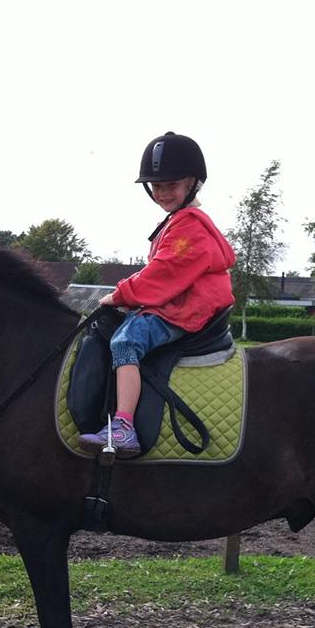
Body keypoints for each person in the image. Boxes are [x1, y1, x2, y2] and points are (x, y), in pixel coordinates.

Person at [78, 132, 236, 458]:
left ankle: (123, 426)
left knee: (125, 341)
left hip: (187, 308)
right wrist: (127, 290)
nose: (163, 193)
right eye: (157, 186)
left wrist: (121, 295)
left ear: (193, 183)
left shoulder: (188, 227)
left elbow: (163, 273)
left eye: (172, 185)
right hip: (179, 302)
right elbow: (156, 269)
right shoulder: (177, 222)